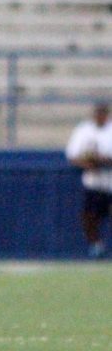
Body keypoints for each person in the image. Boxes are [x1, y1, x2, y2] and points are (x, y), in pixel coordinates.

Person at [65, 101, 112, 258]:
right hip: (93, 182)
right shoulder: (84, 130)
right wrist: (88, 162)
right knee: (90, 216)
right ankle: (96, 246)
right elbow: (73, 155)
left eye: (103, 113)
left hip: (109, 181)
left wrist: (104, 160)